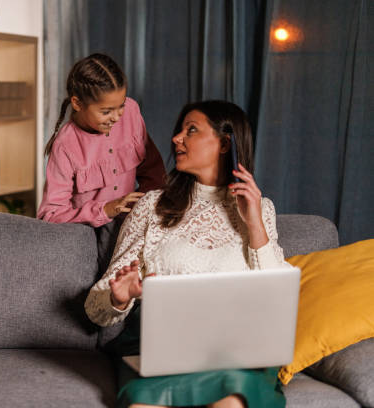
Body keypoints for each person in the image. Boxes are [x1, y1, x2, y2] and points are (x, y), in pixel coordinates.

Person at [85, 100, 291, 408]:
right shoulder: (152, 205)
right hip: (161, 347)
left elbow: (277, 297)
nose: (175, 138)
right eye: (180, 130)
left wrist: (254, 224)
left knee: (233, 397)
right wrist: (120, 296)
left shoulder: (262, 210)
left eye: (191, 130)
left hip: (233, 350)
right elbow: (95, 307)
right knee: (144, 405)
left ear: (225, 144)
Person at [37, 53, 166, 273]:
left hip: (135, 226)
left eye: (121, 106)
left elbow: (153, 171)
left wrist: (142, 210)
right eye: (106, 111)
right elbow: (50, 215)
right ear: (77, 103)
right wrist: (105, 209)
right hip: (90, 236)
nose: (117, 117)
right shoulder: (65, 146)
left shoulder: (132, 112)